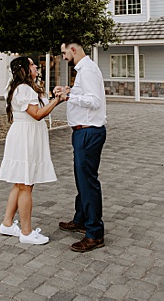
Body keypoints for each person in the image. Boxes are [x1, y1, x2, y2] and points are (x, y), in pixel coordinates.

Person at [0, 56, 64, 245]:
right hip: (25, 137)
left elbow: (38, 107)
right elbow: (36, 114)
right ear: (25, 69)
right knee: (26, 184)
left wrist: (53, 97)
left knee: (21, 182)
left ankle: (7, 223)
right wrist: (57, 100)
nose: (36, 66)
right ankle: (26, 232)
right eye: (32, 64)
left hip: (25, 135)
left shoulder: (22, 87)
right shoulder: (24, 89)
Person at [55, 39, 107, 253]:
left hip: (88, 132)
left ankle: (94, 233)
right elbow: (86, 96)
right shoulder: (84, 69)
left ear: (73, 49)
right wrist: (71, 92)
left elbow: (94, 101)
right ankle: (82, 219)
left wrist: (69, 96)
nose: (63, 56)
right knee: (82, 179)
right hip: (82, 132)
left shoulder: (87, 71)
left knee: (88, 181)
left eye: (64, 52)